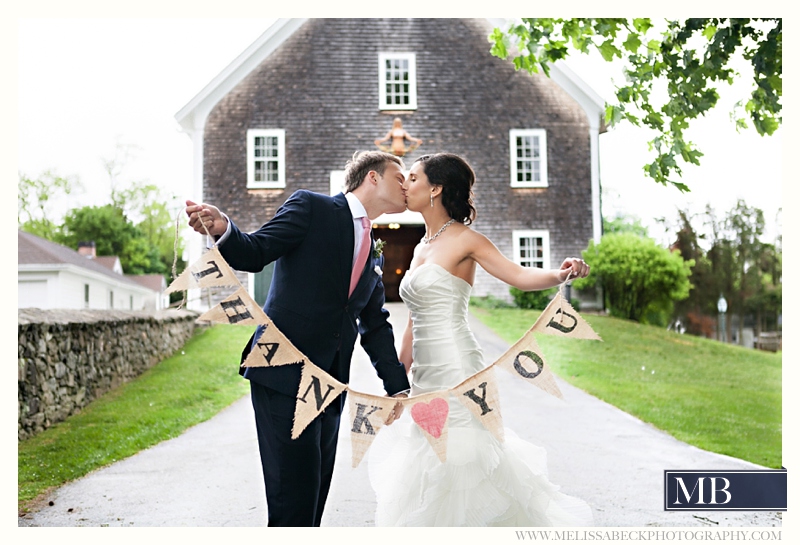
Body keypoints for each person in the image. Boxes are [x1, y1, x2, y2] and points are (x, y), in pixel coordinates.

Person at [184, 150, 411, 527]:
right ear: (373, 177)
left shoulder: (374, 248)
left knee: (314, 502)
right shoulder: (311, 207)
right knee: (293, 504)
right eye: (399, 176)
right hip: (282, 374)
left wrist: (397, 386)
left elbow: (374, 323)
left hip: (329, 387)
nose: (407, 186)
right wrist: (223, 226)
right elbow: (256, 251)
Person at [367, 152, 595, 526]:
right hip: (424, 377)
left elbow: (518, 275)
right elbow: (414, 320)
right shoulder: (420, 246)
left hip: (459, 369)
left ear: (435, 188)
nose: (404, 185)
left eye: (412, 178)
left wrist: (561, 274)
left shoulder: (467, 240)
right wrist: (396, 382)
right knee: (428, 462)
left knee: (464, 460)